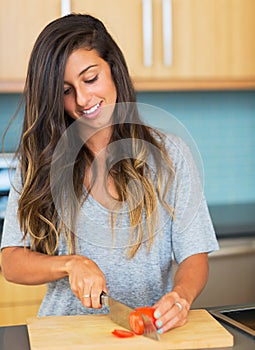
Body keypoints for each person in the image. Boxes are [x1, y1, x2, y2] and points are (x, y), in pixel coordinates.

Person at [1, 14, 218, 334]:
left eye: (91, 79)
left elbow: (194, 257)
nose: (83, 100)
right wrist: (69, 263)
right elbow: (11, 263)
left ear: (114, 69)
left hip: (143, 334)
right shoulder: (38, 161)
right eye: (65, 91)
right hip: (63, 337)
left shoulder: (171, 156)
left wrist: (181, 297)